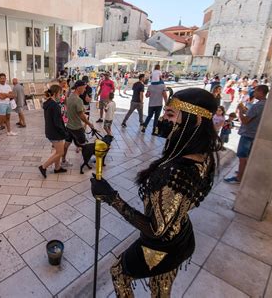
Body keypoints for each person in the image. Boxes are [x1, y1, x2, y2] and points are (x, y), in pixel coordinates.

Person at [90, 88, 221, 297]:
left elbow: (156, 229)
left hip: (161, 248)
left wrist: (111, 197)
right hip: (182, 236)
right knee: (160, 288)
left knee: (119, 272)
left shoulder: (177, 171)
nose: (163, 119)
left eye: (170, 114)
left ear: (195, 120)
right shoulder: (202, 154)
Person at [224, 84, 269, 184]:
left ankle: (239, 178)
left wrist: (240, 110)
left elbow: (244, 121)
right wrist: (245, 110)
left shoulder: (257, 106)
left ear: (261, 92)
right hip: (254, 133)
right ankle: (242, 172)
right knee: (247, 156)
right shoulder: (265, 104)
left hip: (248, 134)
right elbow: (253, 115)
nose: (254, 92)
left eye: (256, 90)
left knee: (242, 156)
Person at [62, 80, 95, 166]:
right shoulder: (78, 100)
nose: (84, 90)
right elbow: (81, 116)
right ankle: (88, 160)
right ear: (79, 88)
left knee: (66, 144)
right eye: (84, 88)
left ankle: (63, 161)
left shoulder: (70, 97)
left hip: (69, 126)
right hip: (77, 127)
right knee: (84, 145)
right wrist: (89, 124)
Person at [39, 85, 68, 178]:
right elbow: (57, 122)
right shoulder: (54, 105)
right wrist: (64, 132)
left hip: (50, 131)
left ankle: (57, 168)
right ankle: (43, 167)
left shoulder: (48, 103)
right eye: (60, 94)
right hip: (55, 133)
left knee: (58, 151)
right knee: (60, 152)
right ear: (55, 94)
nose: (61, 96)